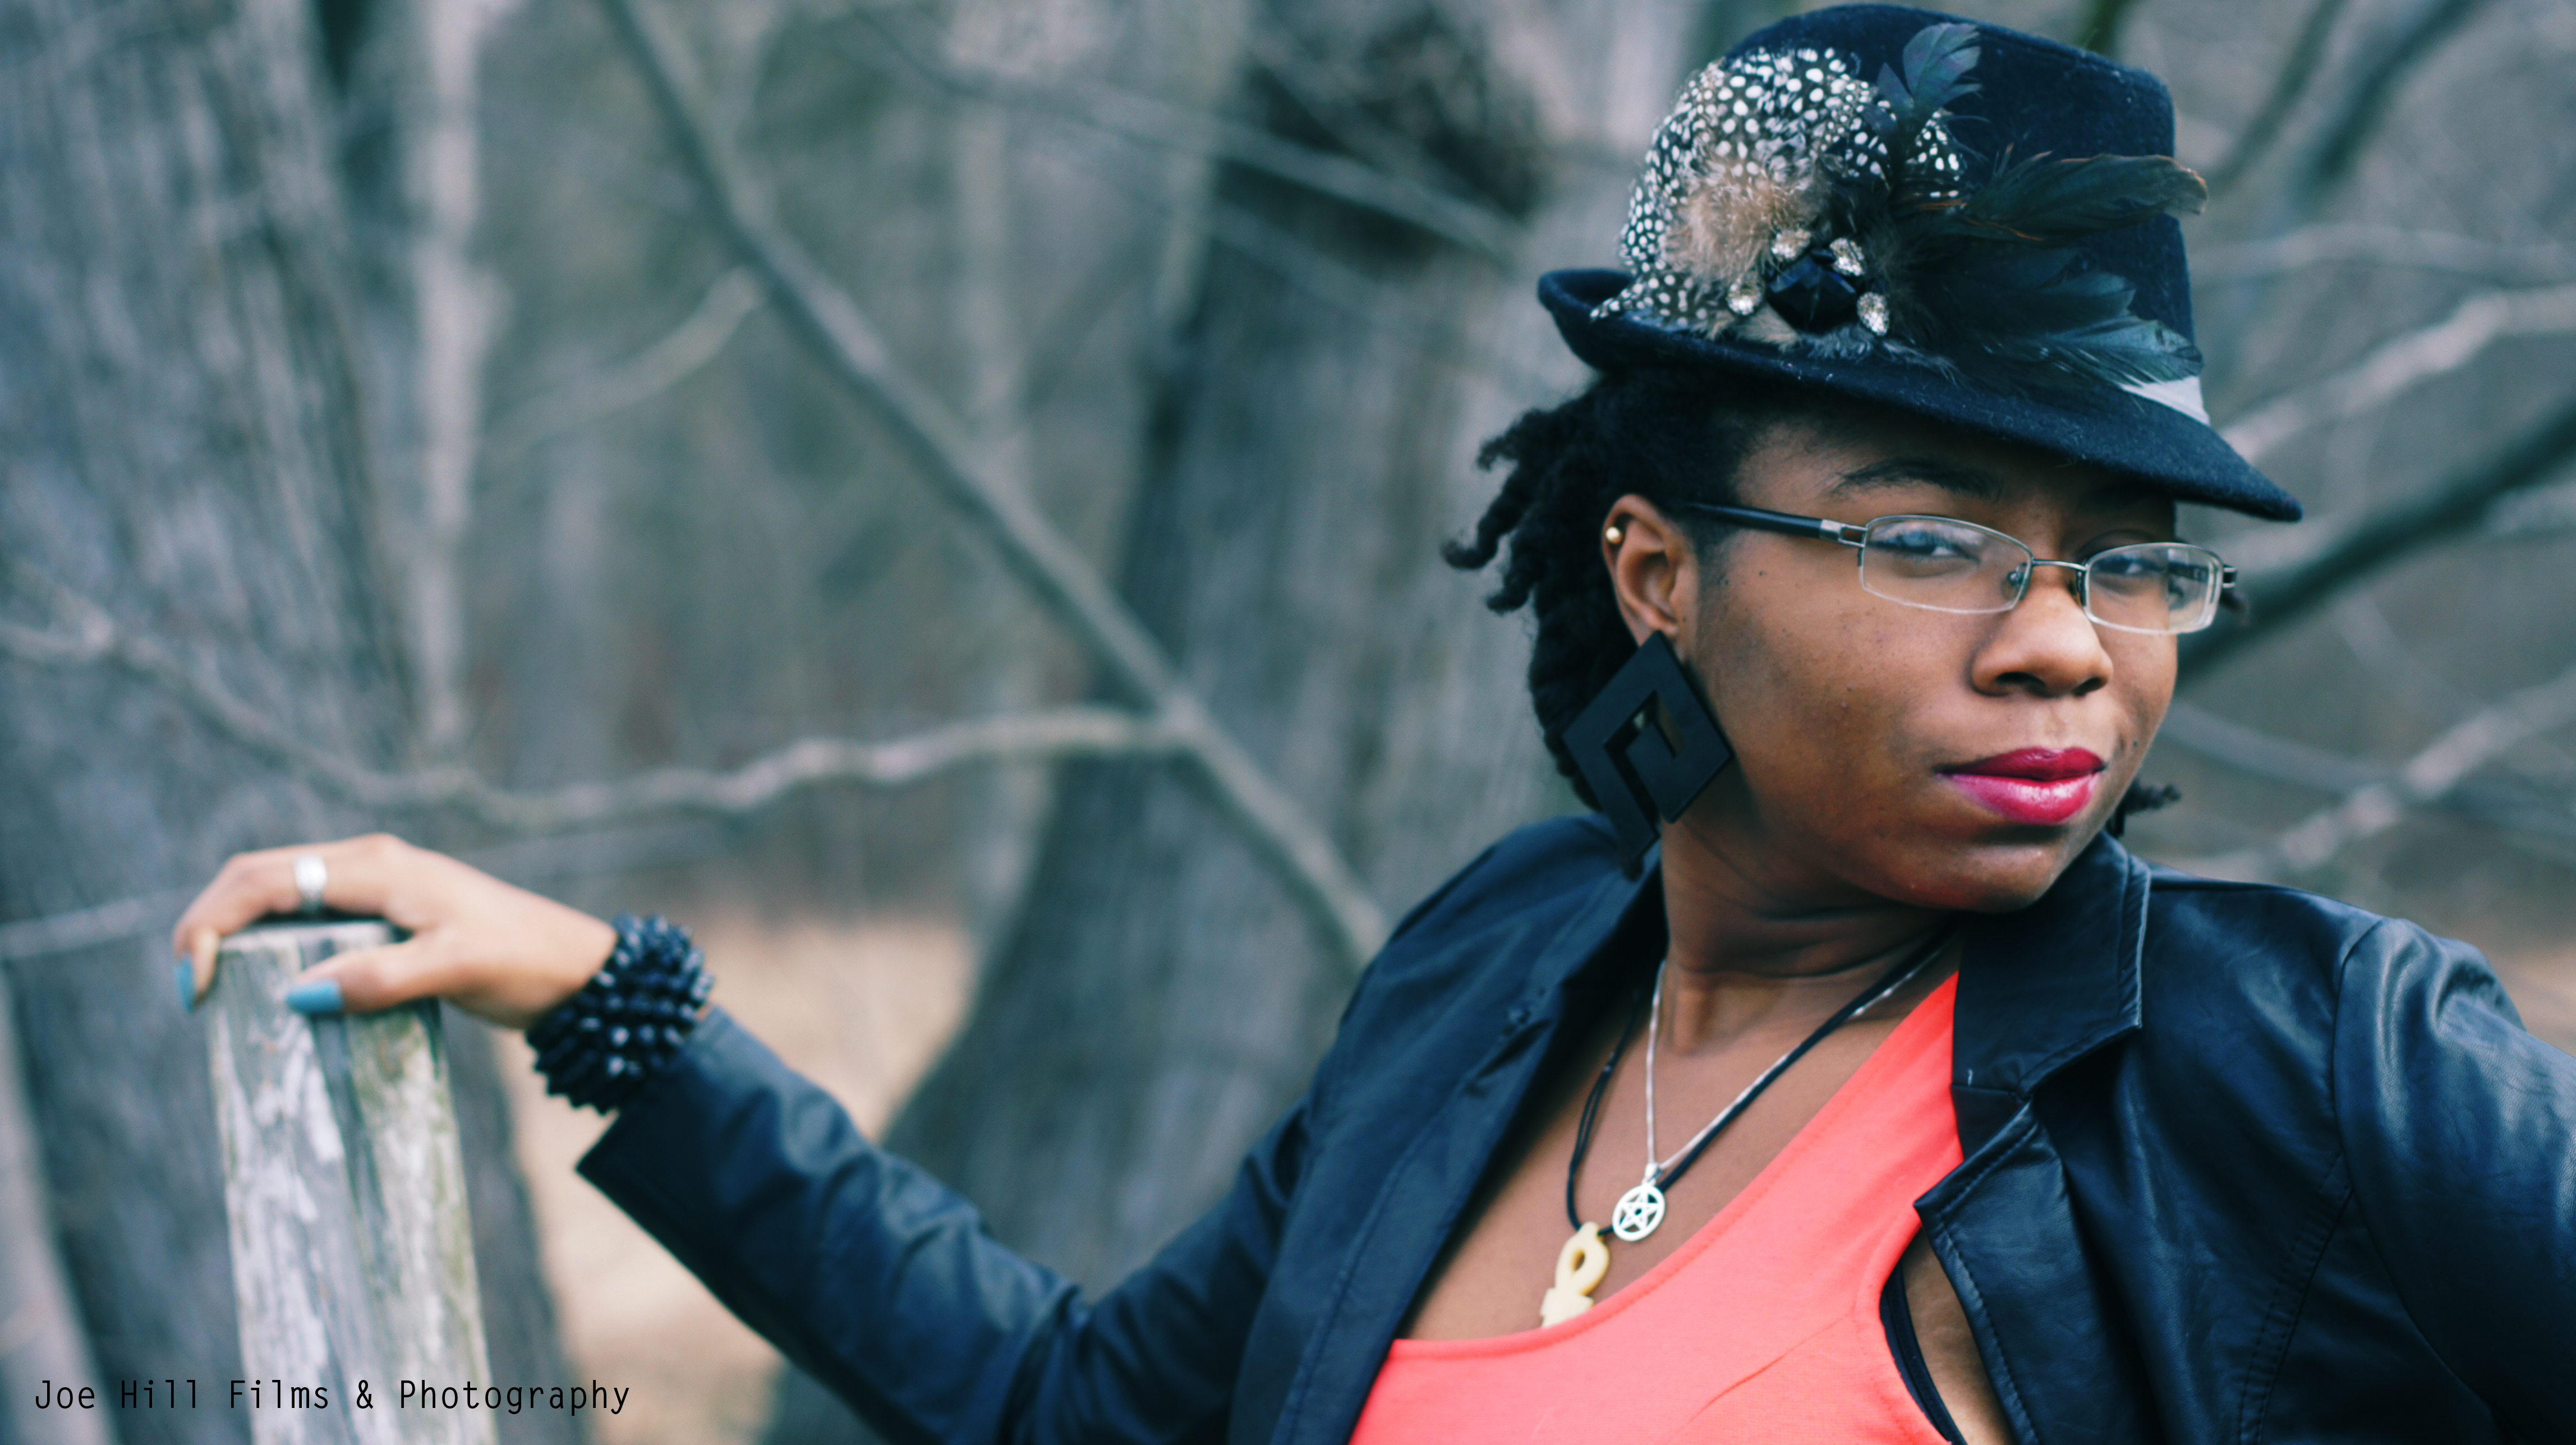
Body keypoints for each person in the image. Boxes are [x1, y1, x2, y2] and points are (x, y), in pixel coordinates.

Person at [173, 6, 2576, 1442]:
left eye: (2126, 559)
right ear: (1655, 569)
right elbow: (1079, 1410)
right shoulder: (1496, 979)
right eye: (1936, 534)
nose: (2065, 642)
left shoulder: (2318, 1071)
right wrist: (615, 1011)